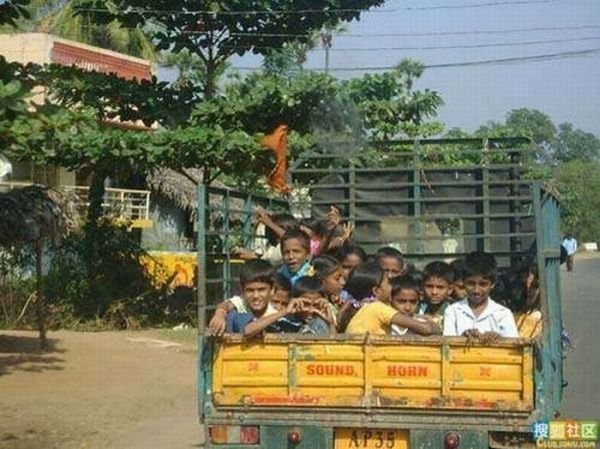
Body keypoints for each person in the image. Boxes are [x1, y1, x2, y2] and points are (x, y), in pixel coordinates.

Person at [342, 262, 440, 336]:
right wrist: (434, 325)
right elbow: (426, 329)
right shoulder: (377, 307)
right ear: (377, 291)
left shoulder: (358, 307)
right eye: (388, 282)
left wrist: (420, 317)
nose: (391, 286)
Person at [443, 252, 519, 341]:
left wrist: (499, 339)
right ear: (463, 282)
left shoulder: (503, 314)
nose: (476, 290)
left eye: (483, 284)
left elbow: (514, 347)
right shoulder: (453, 311)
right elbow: (448, 343)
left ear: (493, 284)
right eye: (471, 283)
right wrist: (462, 338)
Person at [208, 263, 288, 336]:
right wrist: (220, 314)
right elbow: (226, 305)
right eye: (250, 290)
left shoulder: (275, 314)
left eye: (261, 290)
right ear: (242, 290)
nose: (255, 296)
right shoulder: (240, 306)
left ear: (272, 289)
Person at [312, 255, 347, 321]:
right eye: (337, 279)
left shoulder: (335, 302)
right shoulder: (318, 306)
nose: (343, 282)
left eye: (343, 278)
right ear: (320, 279)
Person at [419, 261, 454, 326]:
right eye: (429, 286)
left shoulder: (455, 311)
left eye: (440, 287)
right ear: (422, 287)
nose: (434, 292)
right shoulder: (417, 310)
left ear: (450, 289)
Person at [514, 263, 543, 339]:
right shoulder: (512, 315)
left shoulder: (546, 317)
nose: (528, 290)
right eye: (524, 285)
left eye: (534, 285)